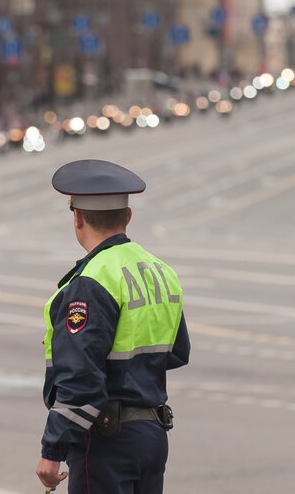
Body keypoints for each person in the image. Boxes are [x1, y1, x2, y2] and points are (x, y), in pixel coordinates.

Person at [36, 159, 190, 494]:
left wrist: (53, 450)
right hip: (152, 436)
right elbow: (177, 352)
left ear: (77, 217)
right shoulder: (161, 271)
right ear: (128, 217)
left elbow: (81, 379)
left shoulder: (92, 281)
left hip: (107, 442)